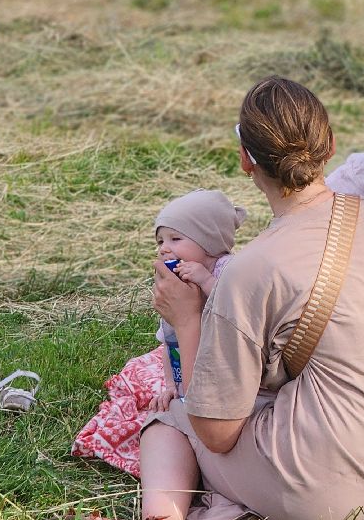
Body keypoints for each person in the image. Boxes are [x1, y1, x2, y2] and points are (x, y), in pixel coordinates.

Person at [85, 78, 364, 520]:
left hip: (328, 498)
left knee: (169, 419)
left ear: (245, 160)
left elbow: (215, 431)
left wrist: (187, 320)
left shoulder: (251, 270)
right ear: (329, 145)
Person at [72, 189, 247, 477]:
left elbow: (236, 310)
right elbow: (170, 339)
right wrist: (169, 384)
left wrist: (206, 281)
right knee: (153, 388)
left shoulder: (228, 270)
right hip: (186, 362)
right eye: (160, 241)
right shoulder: (175, 280)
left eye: (176, 239)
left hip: (226, 369)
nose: (164, 248)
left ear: (211, 241)